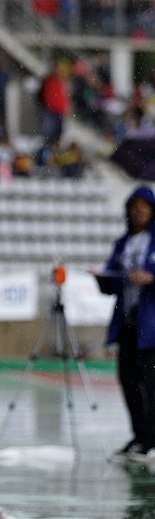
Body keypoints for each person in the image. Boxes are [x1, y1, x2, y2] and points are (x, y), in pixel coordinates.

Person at [95, 187, 155, 460]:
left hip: (152, 326)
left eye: (144, 206)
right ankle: (140, 436)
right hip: (128, 322)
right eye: (134, 206)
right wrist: (102, 277)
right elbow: (113, 281)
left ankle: (152, 439)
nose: (138, 211)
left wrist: (151, 278)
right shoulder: (122, 243)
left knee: (150, 382)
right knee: (128, 380)